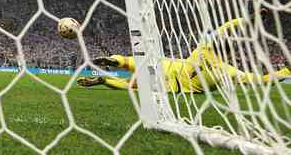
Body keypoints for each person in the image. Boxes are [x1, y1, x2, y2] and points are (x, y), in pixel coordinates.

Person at [77, 10, 291, 93]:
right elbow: (261, 80)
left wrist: (247, 20)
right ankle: (111, 65)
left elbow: (223, 29)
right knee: (134, 75)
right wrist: (285, 73)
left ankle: (112, 61)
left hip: (173, 71)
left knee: (130, 63)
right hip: (175, 80)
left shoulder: (203, 50)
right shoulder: (226, 70)